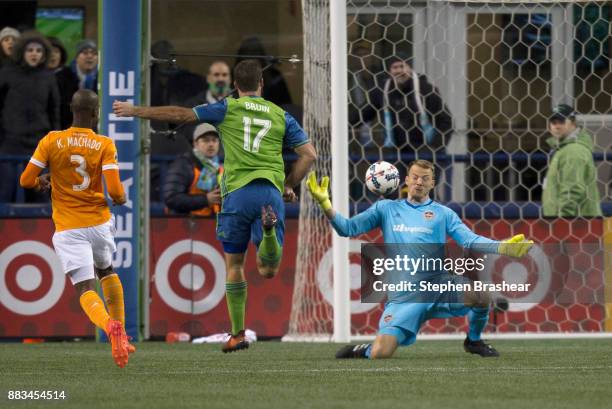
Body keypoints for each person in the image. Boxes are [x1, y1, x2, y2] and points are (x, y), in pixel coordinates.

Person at [113, 59, 317, 353]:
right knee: (268, 269)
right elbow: (309, 154)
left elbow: (181, 114)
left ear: (236, 85)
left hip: (236, 194)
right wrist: (288, 184)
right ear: (261, 85)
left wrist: (136, 111)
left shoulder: (227, 107)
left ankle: (237, 333)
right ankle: (269, 234)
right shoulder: (281, 114)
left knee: (235, 265)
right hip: (270, 193)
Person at [307, 160, 534, 359]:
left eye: (425, 178)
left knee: (483, 294)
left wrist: (502, 247)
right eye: (415, 177)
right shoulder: (386, 208)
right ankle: (363, 350)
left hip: (439, 285)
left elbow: (469, 240)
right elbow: (347, 228)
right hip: (404, 296)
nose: (419, 182)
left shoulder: (443, 214)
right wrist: (326, 204)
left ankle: (473, 341)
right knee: (380, 354)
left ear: (432, 183)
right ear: (405, 180)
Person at [19, 90, 134, 368]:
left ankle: (110, 328)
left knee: (85, 287)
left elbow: (25, 180)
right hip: (98, 222)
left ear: (72, 109)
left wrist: (41, 183)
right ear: (95, 114)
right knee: (107, 271)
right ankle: (124, 335)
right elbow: (117, 192)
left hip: (69, 227)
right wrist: (119, 199)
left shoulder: (52, 140)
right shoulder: (104, 143)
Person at [0, 31, 60, 203]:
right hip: (10, 143)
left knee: (41, 195)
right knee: (6, 193)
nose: (34, 54)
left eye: (38, 50)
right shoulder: (7, 73)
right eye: (30, 50)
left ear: (44, 54)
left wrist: (54, 143)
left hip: (39, 145)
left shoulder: (48, 77)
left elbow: (53, 111)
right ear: (22, 52)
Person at [542, 104, 602, 217]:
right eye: (553, 123)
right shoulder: (563, 149)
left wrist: (562, 221)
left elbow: (573, 189)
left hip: (574, 225)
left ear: (573, 123)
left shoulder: (573, 151)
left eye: (562, 122)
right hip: (573, 223)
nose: (557, 126)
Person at [163, 123, 222, 215]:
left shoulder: (221, 168)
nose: (211, 144)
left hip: (213, 224)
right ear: (195, 143)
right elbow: (171, 198)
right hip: (185, 225)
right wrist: (206, 200)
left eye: (214, 140)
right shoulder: (183, 165)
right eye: (206, 140)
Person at [235, 37, 292, 106]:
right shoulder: (233, 75)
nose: (250, 65)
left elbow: (286, 106)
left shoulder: (275, 76)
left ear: (261, 82)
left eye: (255, 54)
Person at [47, 36, 79, 129]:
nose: (53, 55)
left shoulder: (70, 76)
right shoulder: (35, 76)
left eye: (56, 52)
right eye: (49, 51)